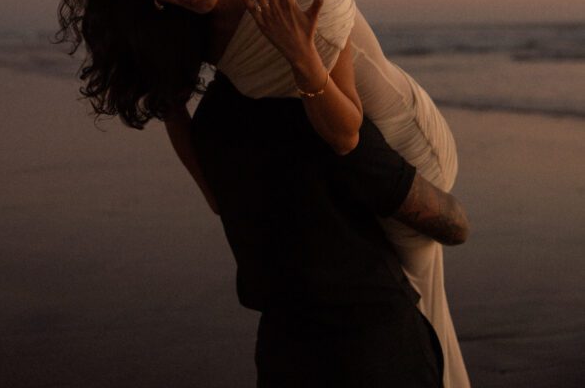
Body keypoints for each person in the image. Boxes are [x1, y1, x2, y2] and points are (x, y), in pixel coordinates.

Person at [57, 0, 471, 387]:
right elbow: (218, 191)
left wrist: (301, 57)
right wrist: (171, 107)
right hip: (338, 164)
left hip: (394, 143)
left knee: (403, 301)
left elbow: (346, 136)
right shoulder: (196, 26)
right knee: (392, 298)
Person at [191, 70, 467, 386]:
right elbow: (452, 225)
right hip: (374, 345)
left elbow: (217, 201)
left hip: (282, 349)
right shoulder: (321, 119)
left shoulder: (208, 121)